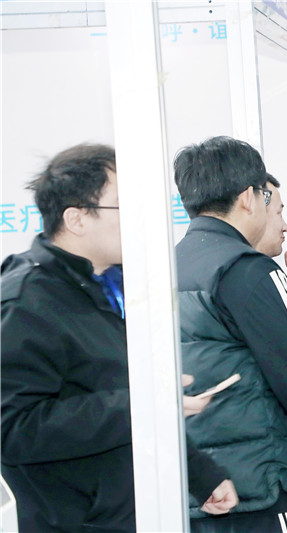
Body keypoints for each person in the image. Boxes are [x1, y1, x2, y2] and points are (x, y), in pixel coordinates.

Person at [1, 144, 235, 532]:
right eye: (123, 206)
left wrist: (199, 474)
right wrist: (141, 406)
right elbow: (14, 429)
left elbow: (124, 398)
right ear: (76, 218)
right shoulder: (26, 301)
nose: (139, 219)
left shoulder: (107, 285)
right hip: (74, 522)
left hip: (128, 514)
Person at [173, 136, 287, 532]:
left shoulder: (168, 265)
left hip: (203, 487)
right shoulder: (246, 268)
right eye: (270, 201)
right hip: (268, 482)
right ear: (249, 198)